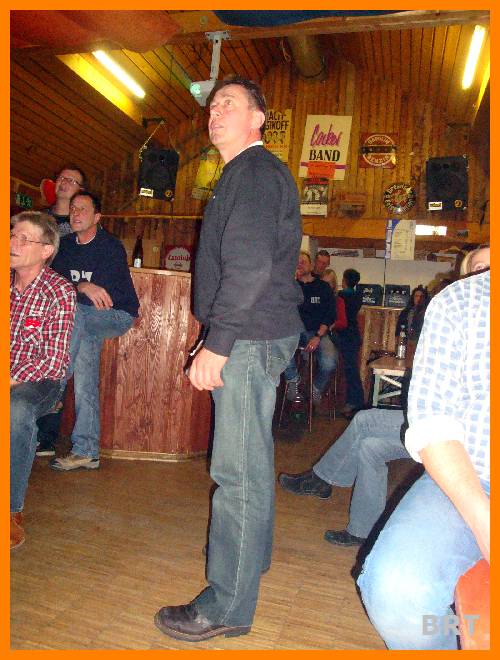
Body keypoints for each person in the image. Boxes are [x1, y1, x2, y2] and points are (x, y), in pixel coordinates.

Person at [154, 77, 303, 642]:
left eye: (230, 104)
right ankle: (248, 564)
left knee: (236, 472)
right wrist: (218, 336)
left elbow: (250, 265)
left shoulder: (254, 173)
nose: (216, 112)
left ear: (257, 119)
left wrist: (219, 342)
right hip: (254, 334)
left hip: (248, 338)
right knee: (250, 463)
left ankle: (226, 605)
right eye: (213, 105)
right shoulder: (246, 174)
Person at [357, 269, 490, 649]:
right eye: (476, 266)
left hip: (418, 432)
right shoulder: (459, 301)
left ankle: (326, 487)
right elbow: (432, 416)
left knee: (366, 432)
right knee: (365, 430)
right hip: (465, 461)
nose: (482, 270)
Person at [49, 191, 139, 471]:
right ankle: (86, 451)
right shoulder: (65, 246)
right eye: (73, 209)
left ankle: (53, 389)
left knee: (76, 312)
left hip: (116, 315)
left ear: (97, 217)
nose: (75, 214)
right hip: (82, 323)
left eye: (83, 209)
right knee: (85, 382)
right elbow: (55, 287)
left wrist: (77, 291)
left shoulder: (109, 247)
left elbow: (100, 301)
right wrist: (81, 286)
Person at [278, 376, 414, 547]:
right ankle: (363, 531)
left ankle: (321, 481)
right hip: (425, 420)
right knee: (370, 447)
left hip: (437, 430)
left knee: (363, 421)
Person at [10, 211, 76, 550]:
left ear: (46, 250)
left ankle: (10, 510)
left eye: (24, 238)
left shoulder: (59, 291)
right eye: (12, 235)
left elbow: (52, 361)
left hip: (41, 381)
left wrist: (10, 379)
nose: (13, 243)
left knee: (16, 409)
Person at [284, 251, 337, 406]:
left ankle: (316, 388)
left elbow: (330, 314)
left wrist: (318, 336)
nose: (300, 264)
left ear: (311, 265)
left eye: (303, 262)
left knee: (329, 362)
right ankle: (293, 379)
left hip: (317, 332)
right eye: (297, 262)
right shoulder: (290, 287)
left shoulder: (323, 287)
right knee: (278, 346)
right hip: (292, 331)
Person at [336, 268, 365, 417]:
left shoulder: (341, 296)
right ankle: (355, 402)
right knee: (352, 369)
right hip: (355, 334)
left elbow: (340, 319)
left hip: (345, 335)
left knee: (350, 371)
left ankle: (355, 402)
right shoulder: (358, 296)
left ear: (344, 280)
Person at [46, 165, 86, 236]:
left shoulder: (82, 224)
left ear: (80, 190)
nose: (64, 182)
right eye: (61, 178)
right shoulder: (40, 217)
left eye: (71, 180)